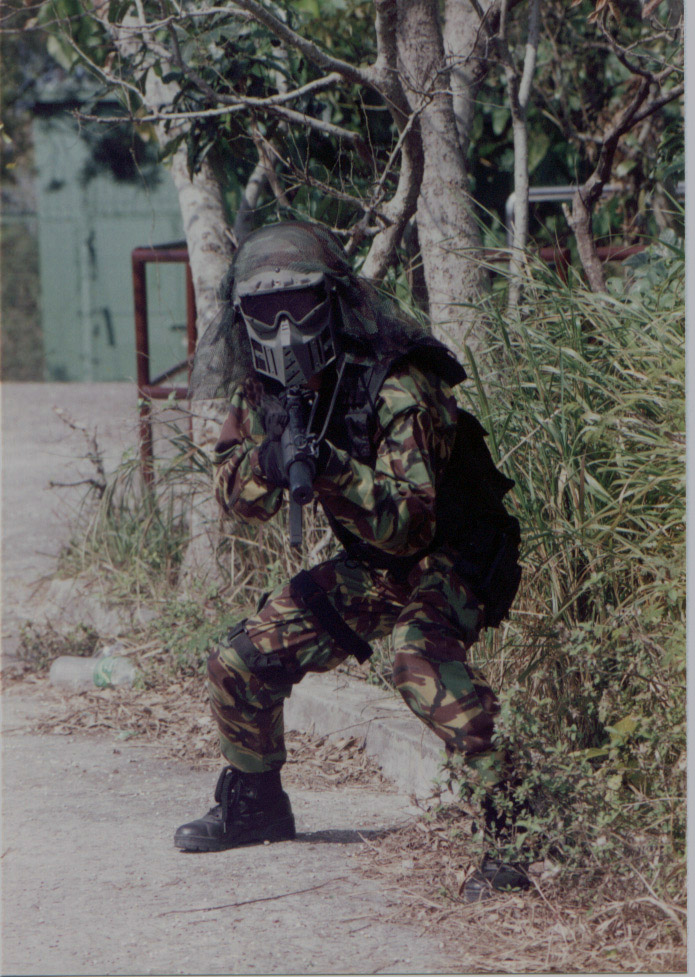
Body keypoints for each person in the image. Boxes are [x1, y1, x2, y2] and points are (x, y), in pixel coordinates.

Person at [176, 221, 528, 900]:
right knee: (239, 661)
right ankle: (255, 805)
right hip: (375, 563)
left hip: (455, 555)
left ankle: (517, 827)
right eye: (265, 311)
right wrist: (270, 460)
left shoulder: (398, 384)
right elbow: (233, 498)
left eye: (298, 305)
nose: (283, 328)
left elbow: (409, 525)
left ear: (331, 302)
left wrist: (332, 467)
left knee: (420, 664)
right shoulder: (263, 392)